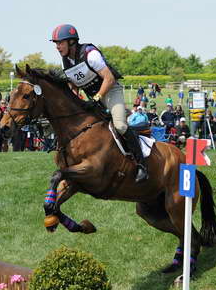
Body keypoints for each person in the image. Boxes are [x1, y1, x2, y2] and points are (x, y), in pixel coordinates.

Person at [50, 24, 148, 182]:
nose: (57, 47)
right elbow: (74, 85)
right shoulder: (65, 62)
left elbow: (109, 78)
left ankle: (142, 165)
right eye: (55, 43)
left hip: (110, 92)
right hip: (93, 97)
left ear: (71, 42)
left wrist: (97, 98)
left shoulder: (90, 54)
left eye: (60, 43)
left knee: (120, 126)